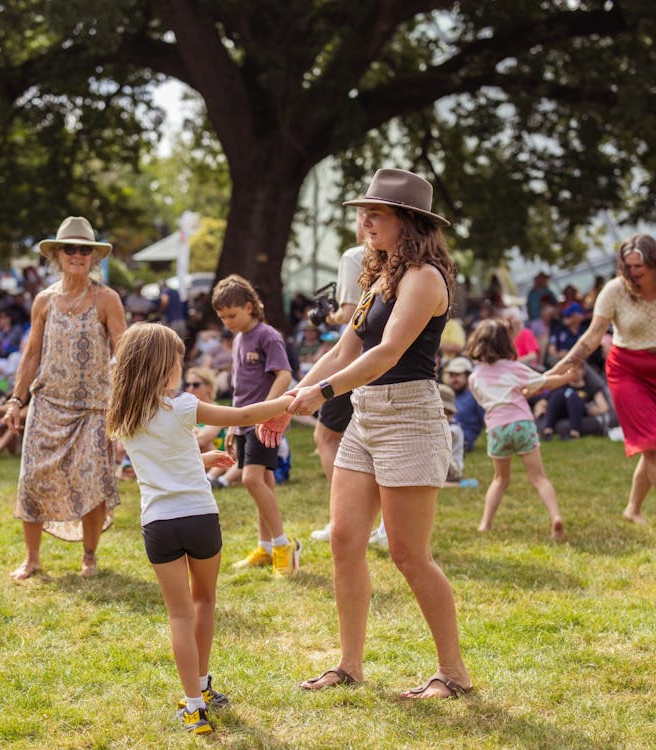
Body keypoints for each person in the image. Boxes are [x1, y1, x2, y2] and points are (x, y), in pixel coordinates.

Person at [262, 168, 472, 699]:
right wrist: (290, 402)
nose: (365, 220)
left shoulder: (424, 277)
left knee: (407, 554)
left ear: (409, 221)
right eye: (363, 212)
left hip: (411, 419)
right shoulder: (378, 278)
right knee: (343, 539)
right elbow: (343, 350)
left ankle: (453, 674)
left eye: (376, 213)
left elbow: (387, 353)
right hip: (367, 415)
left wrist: (321, 393)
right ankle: (349, 665)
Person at [106, 323, 295, 735]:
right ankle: (204, 687)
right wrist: (286, 401)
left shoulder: (123, 416)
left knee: (178, 614)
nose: (181, 366)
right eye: (177, 359)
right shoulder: (185, 406)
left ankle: (194, 705)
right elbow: (243, 416)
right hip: (200, 518)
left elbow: (164, 456)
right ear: (163, 366)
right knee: (203, 601)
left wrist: (204, 457)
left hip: (158, 524)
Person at [547, 234, 656, 536]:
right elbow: (592, 336)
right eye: (627, 266)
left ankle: (633, 509)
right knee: (652, 445)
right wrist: (559, 368)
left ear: (655, 262)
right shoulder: (615, 290)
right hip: (626, 370)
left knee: (654, 447)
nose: (633, 272)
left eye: (638, 266)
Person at [5, 216, 127, 580]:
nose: (77, 255)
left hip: (93, 408)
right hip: (47, 405)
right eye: (70, 249)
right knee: (32, 480)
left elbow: (122, 350)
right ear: (57, 255)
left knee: (92, 483)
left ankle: (89, 556)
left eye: (84, 250)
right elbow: (31, 353)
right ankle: (32, 558)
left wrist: (126, 398)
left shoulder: (107, 299)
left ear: (93, 257)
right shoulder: (44, 300)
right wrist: (15, 399)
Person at [210, 274, 299, 577]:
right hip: (244, 425)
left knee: (250, 480)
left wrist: (267, 412)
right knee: (265, 485)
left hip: (264, 425)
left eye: (232, 315)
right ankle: (267, 546)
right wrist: (234, 428)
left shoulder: (267, 335)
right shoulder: (237, 340)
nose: (227, 322)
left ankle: (285, 545)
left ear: (249, 307)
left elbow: (284, 375)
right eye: (222, 317)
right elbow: (238, 390)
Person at [311, 219, 388, 547]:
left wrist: (324, 317)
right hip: (383, 363)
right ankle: (383, 526)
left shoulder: (354, 256)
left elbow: (347, 315)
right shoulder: (409, 268)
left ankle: (342, 518)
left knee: (326, 436)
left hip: (359, 360)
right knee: (379, 443)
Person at [464, 320, 570, 540]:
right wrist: (566, 377)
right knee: (539, 478)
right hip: (522, 425)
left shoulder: (474, 378)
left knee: (500, 479)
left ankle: (485, 523)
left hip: (496, 430)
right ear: (507, 344)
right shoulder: (515, 368)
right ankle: (555, 517)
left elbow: (484, 400)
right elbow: (544, 383)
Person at [442, 356, 486, 453]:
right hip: (443, 434)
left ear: (468, 376)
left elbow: (487, 420)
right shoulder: (448, 394)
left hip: (462, 440)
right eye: (451, 375)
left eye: (458, 375)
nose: (454, 379)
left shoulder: (475, 396)